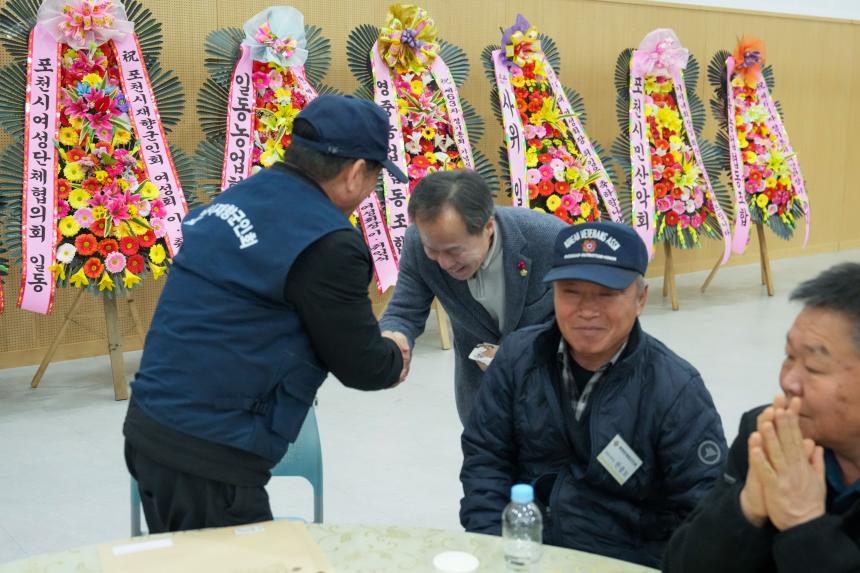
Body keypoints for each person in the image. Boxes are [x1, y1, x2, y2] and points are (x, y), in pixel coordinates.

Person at [124, 95, 411, 533]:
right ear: (356, 173)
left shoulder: (242, 195)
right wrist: (395, 352)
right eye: (374, 176)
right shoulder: (327, 241)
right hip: (209, 455)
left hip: (152, 427)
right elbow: (363, 365)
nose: (370, 189)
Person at [459, 221, 727, 568]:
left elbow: (704, 512)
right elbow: (486, 458)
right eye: (570, 291)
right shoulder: (517, 357)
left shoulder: (676, 390)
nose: (587, 311)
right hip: (526, 553)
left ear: (640, 298)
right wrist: (493, 549)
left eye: (606, 294)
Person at [664, 262, 860, 573]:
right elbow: (680, 565)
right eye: (789, 356)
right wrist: (747, 508)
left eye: (813, 368)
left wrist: (803, 524)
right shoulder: (765, 437)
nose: (788, 382)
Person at [379, 169, 567, 423]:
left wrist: (523, 355)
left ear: (488, 226)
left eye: (455, 251)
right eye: (433, 251)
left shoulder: (551, 240)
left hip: (553, 397)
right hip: (481, 401)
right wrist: (393, 338)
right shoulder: (417, 243)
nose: (444, 263)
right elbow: (404, 310)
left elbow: (590, 325)